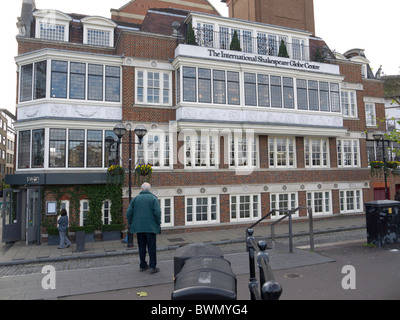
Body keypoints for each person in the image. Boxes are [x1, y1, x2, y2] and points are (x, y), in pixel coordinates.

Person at [127, 182, 161, 274]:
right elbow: (157, 212)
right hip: (151, 227)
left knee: (141, 246)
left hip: (139, 228)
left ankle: (142, 265)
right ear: (149, 189)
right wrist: (158, 223)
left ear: (141, 189)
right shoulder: (153, 198)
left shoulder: (135, 199)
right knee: (151, 247)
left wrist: (130, 223)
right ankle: (152, 267)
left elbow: (129, 212)